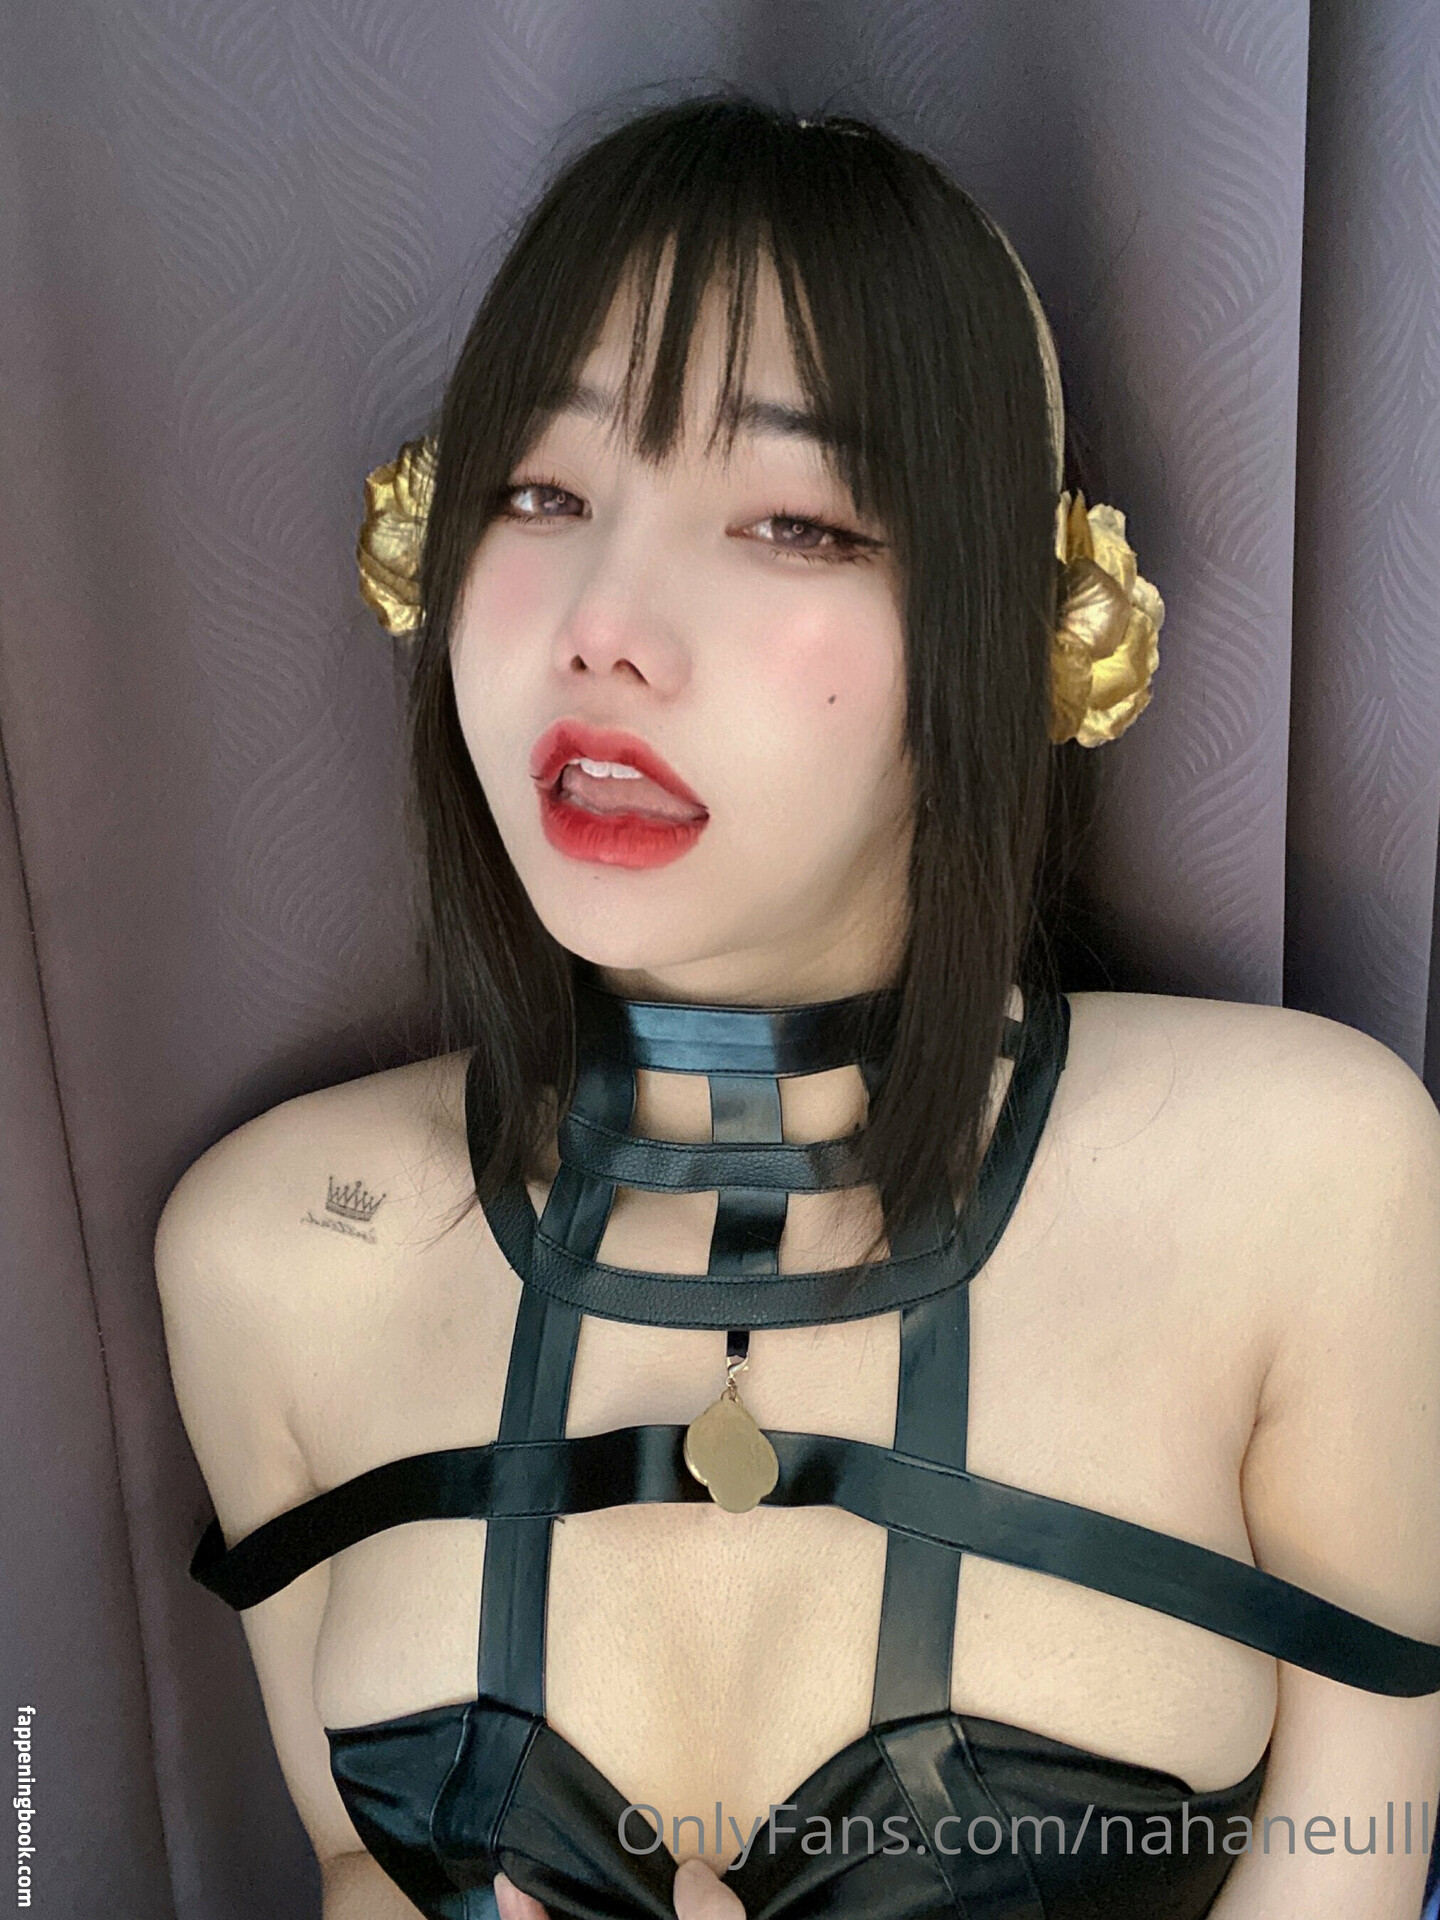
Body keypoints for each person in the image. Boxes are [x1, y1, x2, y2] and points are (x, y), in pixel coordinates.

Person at [155, 97, 1440, 1920]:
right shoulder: (271, 1249)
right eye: (541, 494)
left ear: (1012, 622)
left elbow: (1359, 1854)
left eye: (792, 522)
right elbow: (357, 1864)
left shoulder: (1309, 1177)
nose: (604, 622)